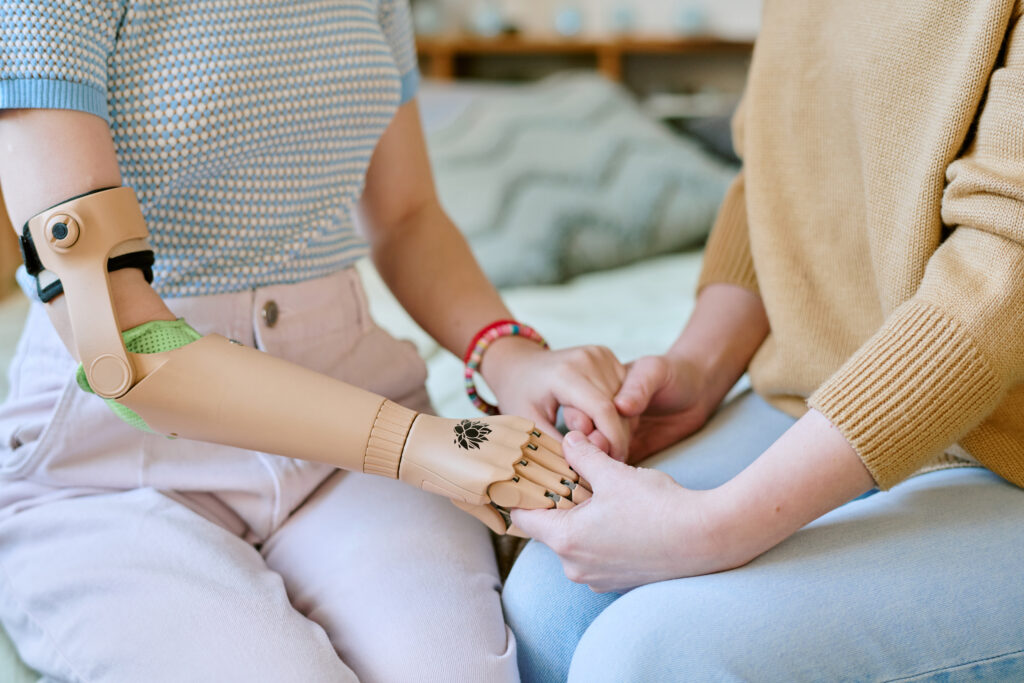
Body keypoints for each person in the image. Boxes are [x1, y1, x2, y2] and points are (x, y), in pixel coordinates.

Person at [0, 2, 628, 681]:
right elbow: (125, 343)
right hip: (113, 467)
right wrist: (415, 443)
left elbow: (407, 216)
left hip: (348, 417)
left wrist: (508, 354)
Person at [503, 1, 1024, 680]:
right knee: (548, 600)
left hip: (1000, 451)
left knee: (651, 655)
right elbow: (776, 181)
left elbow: (1003, 272)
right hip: (813, 403)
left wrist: (712, 527)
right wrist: (698, 364)